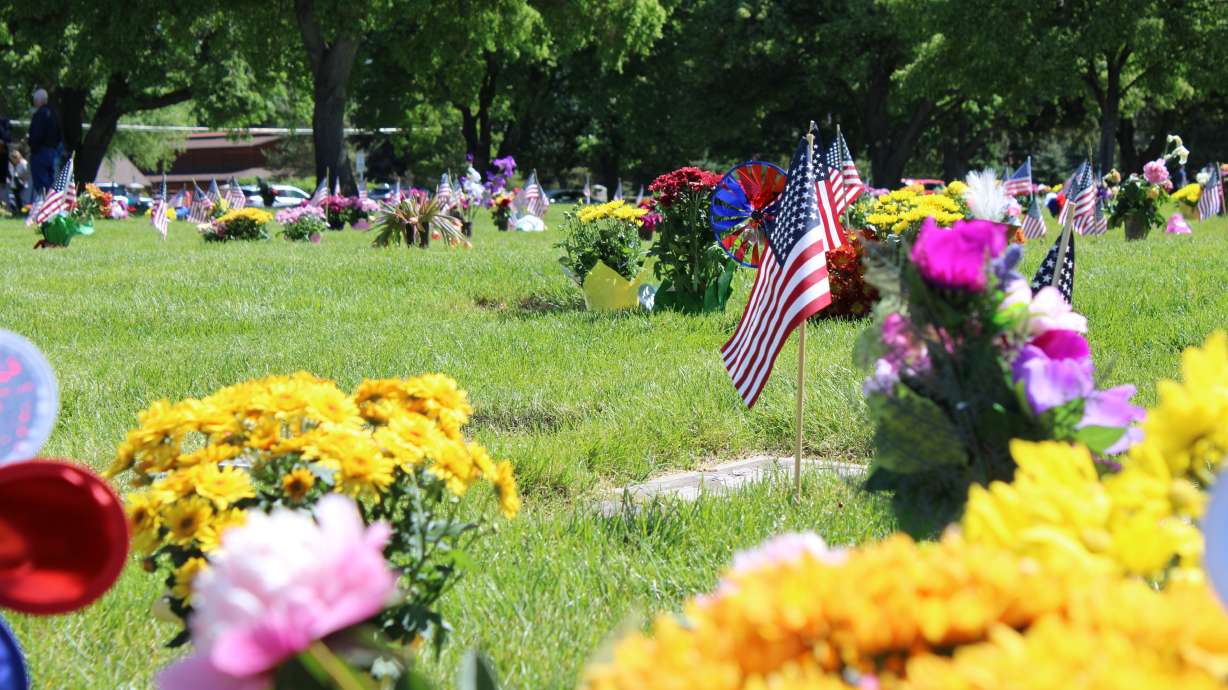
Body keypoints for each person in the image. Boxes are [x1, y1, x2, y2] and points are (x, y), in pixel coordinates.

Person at [27, 89, 61, 195]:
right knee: (51, 184)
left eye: (35, 100)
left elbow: (37, 135)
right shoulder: (54, 114)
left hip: (41, 153)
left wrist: (32, 147)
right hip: (53, 153)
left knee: (41, 186)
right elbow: (59, 135)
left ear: (39, 100)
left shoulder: (40, 114)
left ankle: (42, 207)